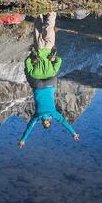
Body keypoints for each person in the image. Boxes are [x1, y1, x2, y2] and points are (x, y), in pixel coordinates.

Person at [18, 13, 79, 147]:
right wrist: (23, 140)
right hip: (38, 79)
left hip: (50, 80)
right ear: (46, 122)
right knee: (38, 30)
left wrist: (73, 133)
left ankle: (50, 11)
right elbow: (30, 127)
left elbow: (64, 123)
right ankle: (39, 13)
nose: (46, 122)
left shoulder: (53, 114)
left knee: (49, 29)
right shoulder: (38, 117)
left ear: (49, 121)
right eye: (46, 123)